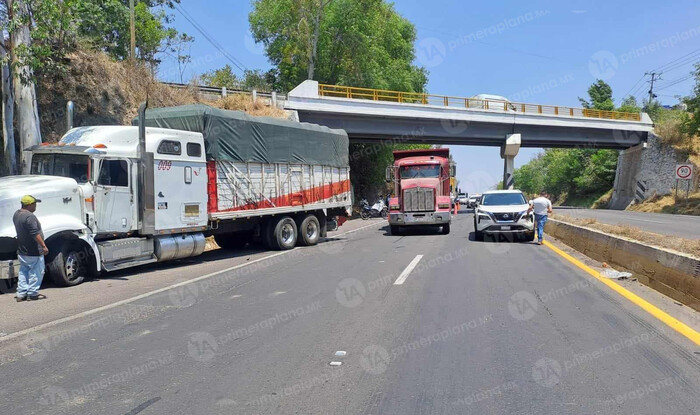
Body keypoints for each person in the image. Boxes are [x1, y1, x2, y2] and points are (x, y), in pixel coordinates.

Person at [13, 195, 49, 301]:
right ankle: (33, 293)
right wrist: (43, 246)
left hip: (22, 250)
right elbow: (35, 233)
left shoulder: (17, 214)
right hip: (33, 250)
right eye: (34, 204)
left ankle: (21, 293)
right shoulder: (29, 217)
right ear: (29, 205)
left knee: (23, 271)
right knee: (36, 271)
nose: (35, 206)